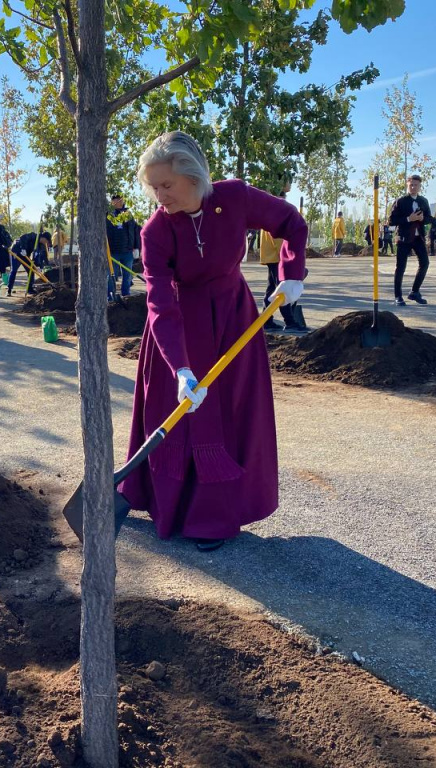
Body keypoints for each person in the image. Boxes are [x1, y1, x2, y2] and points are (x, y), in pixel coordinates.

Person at [120, 131, 306, 552]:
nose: (158, 195)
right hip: (179, 329)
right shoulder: (155, 231)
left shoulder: (235, 197)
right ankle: (167, 504)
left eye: (166, 184)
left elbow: (291, 223)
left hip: (232, 320)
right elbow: (160, 303)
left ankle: (215, 514)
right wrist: (180, 368)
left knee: (229, 412)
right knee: (179, 417)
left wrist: (292, 273)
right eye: (152, 186)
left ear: (193, 175)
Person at [388, 174, 433, 306]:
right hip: (404, 237)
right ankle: (398, 296)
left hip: (418, 237)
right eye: (411, 185)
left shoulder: (423, 201)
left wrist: (422, 219)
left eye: (416, 185)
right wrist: (409, 219)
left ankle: (415, 291)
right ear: (407, 185)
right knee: (401, 267)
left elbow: (429, 219)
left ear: (420, 186)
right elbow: (391, 221)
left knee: (425, 263)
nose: (413, 187)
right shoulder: (400, 201)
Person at [106, 193, 141, 300]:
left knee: (127, 276)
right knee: (112, 275)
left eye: (120, 200)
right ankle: (110, 296)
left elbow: (135, 231)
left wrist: (136, 247)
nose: (119, 202)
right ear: (112, 202)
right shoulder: (108, 215)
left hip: (127, 252)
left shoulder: (128, 215)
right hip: (113, 252)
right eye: (116, 200)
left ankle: (126, 295)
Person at [8, 231, 50, 296]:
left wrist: (38, 266)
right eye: (47, 241)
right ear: (44, 238)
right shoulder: (33, 236)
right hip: (16, 251)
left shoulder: (40, 245)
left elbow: (37, 256)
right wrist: (23, 248)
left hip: (25, 255)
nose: (46, 243)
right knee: (14, 270)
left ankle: (30, 289)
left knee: (31, 270)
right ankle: (9, 289)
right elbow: (23, 238)